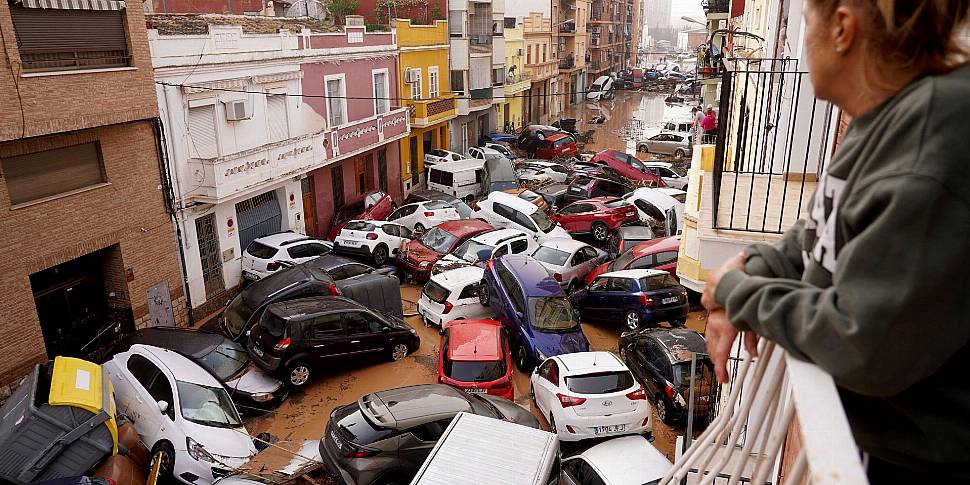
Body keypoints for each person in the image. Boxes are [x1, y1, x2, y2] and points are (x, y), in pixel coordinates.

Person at [700, 0, 970, 482]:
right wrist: (748, 275)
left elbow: (862, 344)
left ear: (842, 28)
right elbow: (812, 237)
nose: (802, 44)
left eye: (806, 25)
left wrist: (733, 292)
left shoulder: (934, 136)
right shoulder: (881, 120)